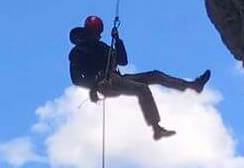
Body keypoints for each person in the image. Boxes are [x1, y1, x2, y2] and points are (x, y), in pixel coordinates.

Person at [67, 15, 210, 140]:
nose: (96, 36)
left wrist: (117, 40)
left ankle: (193, 86)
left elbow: (122, 61)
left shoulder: (102, 47)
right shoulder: (78, 53)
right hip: (106, 83)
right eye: (95, 33)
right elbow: (76, 79)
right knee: (142, 89)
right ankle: (156, 128)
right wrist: (94, 85)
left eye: (97, 33)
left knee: (155, 75)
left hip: (116, 78)